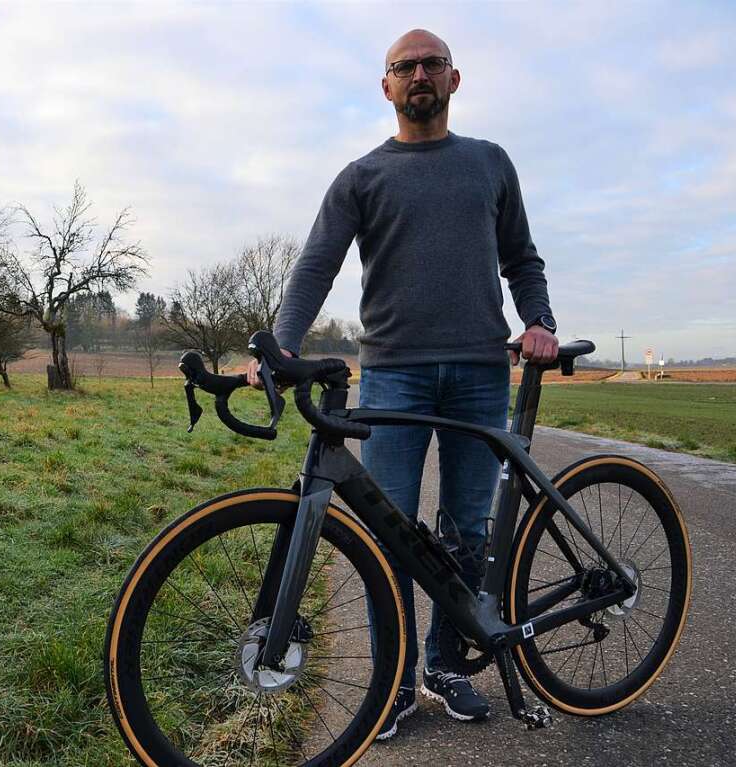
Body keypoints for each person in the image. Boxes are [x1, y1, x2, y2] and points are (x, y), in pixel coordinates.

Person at [246, 29, 559, 737]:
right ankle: (391, 680)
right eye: (404, 67)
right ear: (385, 87)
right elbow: (314, 265)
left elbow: (522, 258)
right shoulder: (361, 176)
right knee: (389, 532)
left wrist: (537, 319)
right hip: (392, 374)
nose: (418, 74)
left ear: (453, 80)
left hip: (480, 370)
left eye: (431, 64)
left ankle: (444, 667)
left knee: (464, 530)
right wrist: (281, 343)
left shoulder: (488, 163)